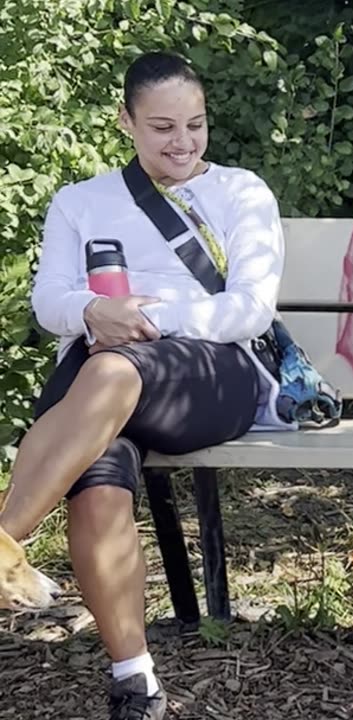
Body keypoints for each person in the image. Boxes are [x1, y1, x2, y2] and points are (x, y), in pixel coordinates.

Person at [0, 51, 291, 720]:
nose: (183, 142)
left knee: (107, 370)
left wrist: (149, 320)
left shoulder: (242, 192)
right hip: (103, 375)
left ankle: (4, 538)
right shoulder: (82, 201)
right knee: (98, 482)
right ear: (125, 121)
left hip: (211, 371)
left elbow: (249, 309)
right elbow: (50, 304)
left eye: (195, 124)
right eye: (162, 127)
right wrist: (93, 311)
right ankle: (137, 683)